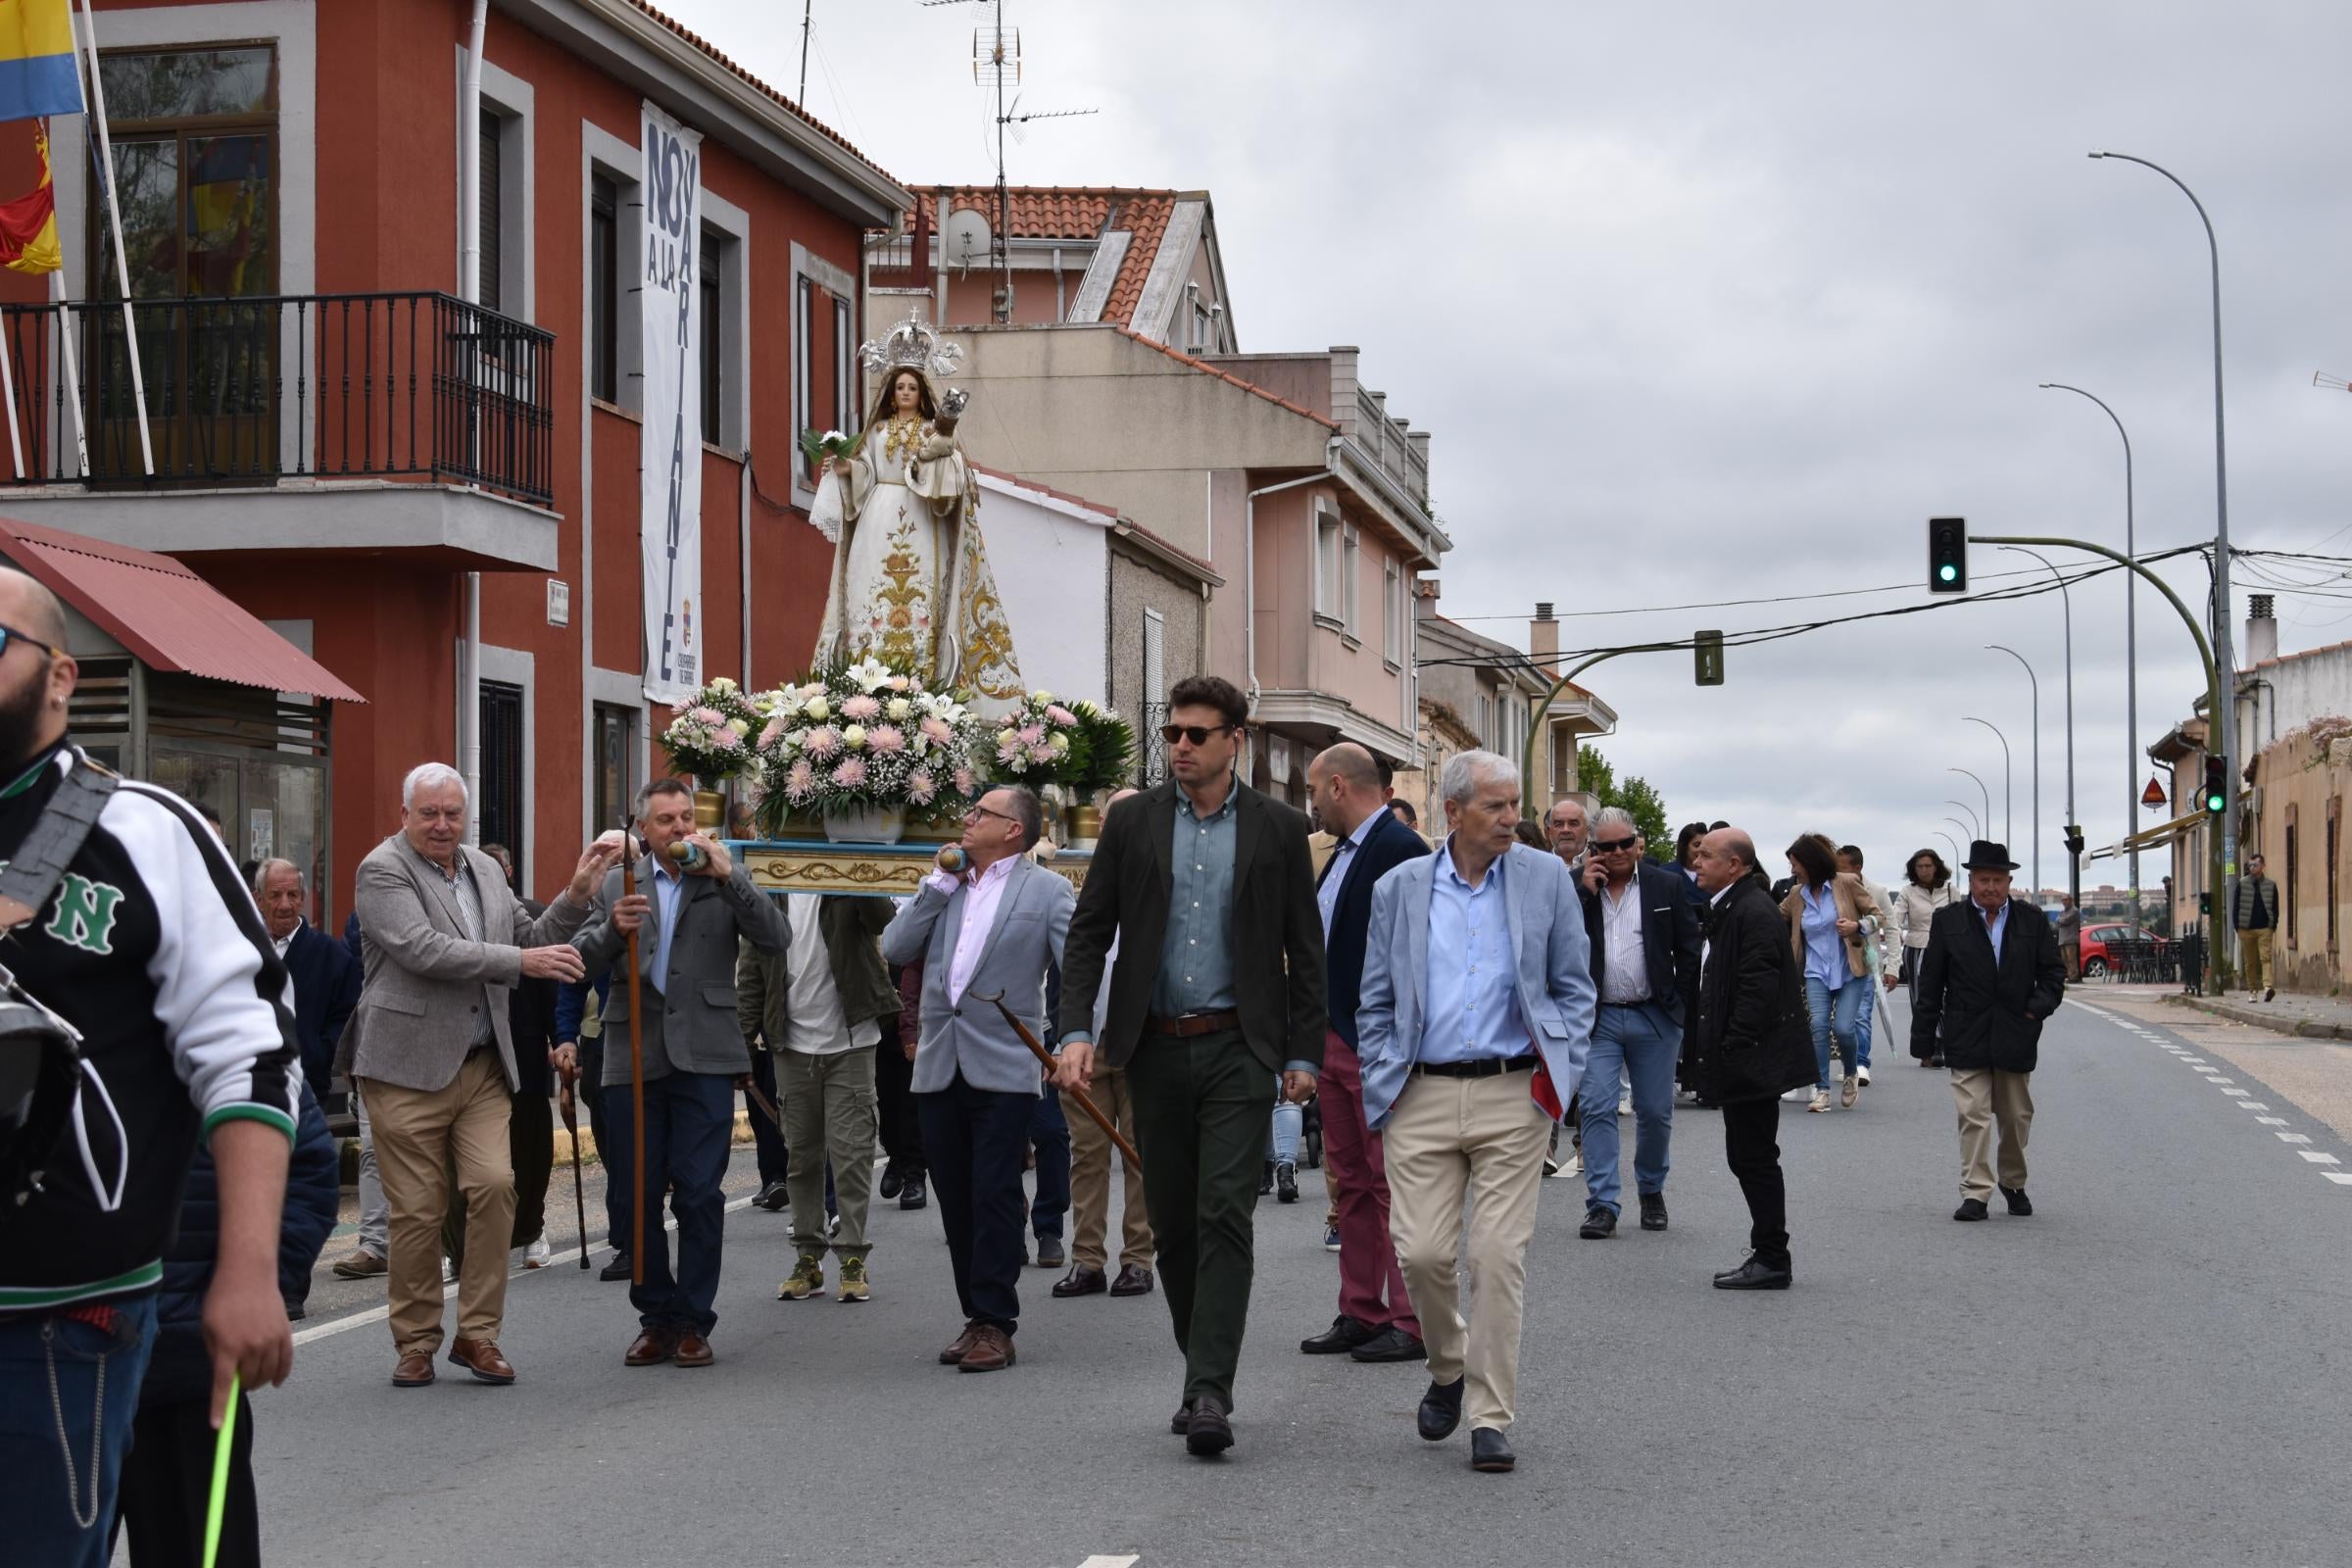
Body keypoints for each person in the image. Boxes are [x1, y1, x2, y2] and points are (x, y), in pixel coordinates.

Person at [0, 565, 299, 1564]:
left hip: (60, 1315)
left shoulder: (142, 830)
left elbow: (247, 1053)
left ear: (59, 677)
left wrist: (250, 1273)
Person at [1053, 674, 1325, 1457]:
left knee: (1222, 1215)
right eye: (1173, 733)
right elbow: (1088, 932)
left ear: (1235, 739)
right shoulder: (1133, 822)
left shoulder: (1279, 827)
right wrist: (1075, 1030)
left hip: (1241, 1047)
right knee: (1172, 1226)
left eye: (1197, 734)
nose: (1179, 746)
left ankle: (1209, 1388)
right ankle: (1201, 1361)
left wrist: (1302, 1051)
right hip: (1152, 1047)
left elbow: (1305, 951)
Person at [1356, 750, 1593, 1475]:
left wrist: (1561, 1071)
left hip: (1512, 1093)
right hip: (1419, 1092)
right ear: (1452, 812)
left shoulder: (1545, 877)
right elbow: (1375, 998)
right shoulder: (1399, 887)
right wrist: (1380, 1072)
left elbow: (1573, 985)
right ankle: (1448, 1367)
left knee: (1497, 1258)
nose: (1511, 818)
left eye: (1514, 803)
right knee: (1423, 1255)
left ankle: (1491, 1416)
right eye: (1495, 806)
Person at [349, 763, 613, 1388]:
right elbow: (423, 949)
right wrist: (522, 959)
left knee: (496, 1187)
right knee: (416, 1212)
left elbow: (537, 937)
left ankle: (478, 1335)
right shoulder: (381, 869)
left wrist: (576, 894)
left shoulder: (487, 870)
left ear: (467, 817)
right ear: (405, 814)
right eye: (429, 813)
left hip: (481, 1065)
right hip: (404, 1068)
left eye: (452, 814)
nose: (442, 825)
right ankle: (415, 1343)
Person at [573, 780, 789, 1367]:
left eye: (686, 817)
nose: (678, 828)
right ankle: (656, 1317)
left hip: (706, 1056)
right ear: (643, 830)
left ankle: (694, 1319)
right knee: (637, 1193)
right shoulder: (623, 883)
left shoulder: (718, 878)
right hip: (633, 1055)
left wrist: (730, 876)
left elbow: (776, 938)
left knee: (698, 1193)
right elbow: (577, 961)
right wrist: (610, 930)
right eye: (665, 819)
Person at [883, 785, 1074, 1374]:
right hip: (941, 1060)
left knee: (993, 1190)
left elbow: (1080, 972)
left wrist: (1071, 1042)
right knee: (957, 1195)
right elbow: (895, 946)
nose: (967, 821)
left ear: (1013, 829)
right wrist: (936, 888)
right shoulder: (943, 885)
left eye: (981, 814)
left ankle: (997, 1320)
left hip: (1007, 1061)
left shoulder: (1048, 891)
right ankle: (975, 1314)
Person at [116, 1080, 339, 1568]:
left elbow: (307, 1161)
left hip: (187, 1365)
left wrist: (256, 1283)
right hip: (38, 1374)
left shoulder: (228, 1015)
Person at [1297, 743, 1429, 1364]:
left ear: (1340, 786)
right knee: (1351, 1184)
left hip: (1375, 1042)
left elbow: (1413, 953)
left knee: (1390, 1183)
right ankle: (1361, 1310)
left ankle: (1409, 1318)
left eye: (1314, 789)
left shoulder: (1399, 849)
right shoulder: (1342, 853)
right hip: (1334, 1037)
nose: (1312, 802)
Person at [811, 318, 1022, 699]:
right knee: (870, 595)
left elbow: (952, 477)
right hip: (878, 519)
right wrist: (845, 468)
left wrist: (936, 453)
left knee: (924, 592)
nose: (906, 392)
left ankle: (926, 679)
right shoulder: (875, 433)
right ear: (891, 395)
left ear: (921, 393)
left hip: (922, 520)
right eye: (900, 387)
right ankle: (865, 677)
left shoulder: (933, 431)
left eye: (911, 387)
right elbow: (865, 473)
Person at [743, 892, 894, 1302]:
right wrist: (743, 1040)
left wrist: (856, 865)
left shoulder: (846, 878)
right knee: (801, 1156)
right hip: (791, 1043)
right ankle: (808, 1257)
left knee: (852, 1154)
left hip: (851, 1038)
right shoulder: (769, 888)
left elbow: (881, 918)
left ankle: (852, 1256)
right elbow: (753, 969)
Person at [1911, 841, 2066, 1222]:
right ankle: (1975, 1192)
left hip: (2016, 1031)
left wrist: (2035, 1010)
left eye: (1997, 880)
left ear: (2009, 881)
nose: (1990, 887)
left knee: (2015, 1117)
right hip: (1967, 1031)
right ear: (1971, 880)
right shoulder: (1949, 921)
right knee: (1973, 1114)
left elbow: (2053, 975)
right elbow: (1930, 984)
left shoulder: (2031, 921)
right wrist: (1925, 1041)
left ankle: (2013, 1182)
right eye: (1983, 880)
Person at [1689, 828, 1814, 1289]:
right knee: (1747, 1156)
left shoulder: (1751, 910)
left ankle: (1772, 1259)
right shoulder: (1733, 905)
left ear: (1735, 865)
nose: (1697, 862)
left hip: (1752, 1059)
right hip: (1744, 1057)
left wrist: (1732, 1046)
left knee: (1755, 1158)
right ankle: (1768, 1253)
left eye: (1706, 856)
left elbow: (1757, 989)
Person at [1574, 806, 1701, 1240]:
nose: (1618, 853)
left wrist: (1680, 1006)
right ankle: (1603, 1203)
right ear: (1594, 849)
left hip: (1654, 1014)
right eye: (1607, 847)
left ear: (1636, 841)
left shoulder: (1666, 885)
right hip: (1599, 1017)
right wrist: (1582, 895)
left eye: (1625, 843)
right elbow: (1553, 941)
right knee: (1595, 1105)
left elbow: (1689, 948)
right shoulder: (1578, 889)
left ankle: (1651, 1189)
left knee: (1653, 1111)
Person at [1053, 789, 1155, 1300]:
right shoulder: (1080, 886)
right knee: (1087, 1155)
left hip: (1143, 1043)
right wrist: (1064, 1039)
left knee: (1141, 1155)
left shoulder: (1161, 884)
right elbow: (1071, 964)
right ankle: (1087, 1259)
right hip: (1087, 1043)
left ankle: (1138, 1258)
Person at [449, 844, 559, 1273]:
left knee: (530, 1148)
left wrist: (562, 1039)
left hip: (526, 1049)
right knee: (464, 1160)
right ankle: (455, 1245)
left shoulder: (531, 915)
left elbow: (552, 981)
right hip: (471, 1051)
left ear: (507, 874)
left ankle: (532, 1229)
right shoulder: (458, 918)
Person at [1779, 834, 1882, 1113]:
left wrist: (1857, 926)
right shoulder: (1796, 895)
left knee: (1844, 1029)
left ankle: (1851, 1071)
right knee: (1819, 1027)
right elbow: (1776, 915)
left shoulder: (1846, 883)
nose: (1792, 871)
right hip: (1815, 972)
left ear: (1810, 862)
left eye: (1795, 864)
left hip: (1850, 969)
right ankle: (1822, 1090)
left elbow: (1878, 916)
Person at [253, 858, 359, 1122]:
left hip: (309, 1088)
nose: (285, 904)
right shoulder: (242, 950)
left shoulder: (332, 956)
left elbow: (346, 1017)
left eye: (293, 895)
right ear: (258, 899)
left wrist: (317, 1053)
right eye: (275, 895)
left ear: (303, 898)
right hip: (248, 1085)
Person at [1891, 848, 1963, 1069]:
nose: (1924, 870)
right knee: (1921, 999)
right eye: (1919, 866)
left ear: (1937, 867)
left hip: (1947, 949)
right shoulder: (1907, 892)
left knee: (1945, 997)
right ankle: (1926, 1048)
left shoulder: (1951, 891)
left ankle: (1943, 1043)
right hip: (1916, 947)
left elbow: (1962, 919)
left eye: (1928, 866)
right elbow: (1895, 917)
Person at [1835, 845, 1897, 1087]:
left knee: (1861, 1014)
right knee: (1840, 1018)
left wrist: (1893, 967)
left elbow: (1891, 928)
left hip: (1867, 963)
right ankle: (1849, 1061)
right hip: (1838, 962)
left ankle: (1861, 1064)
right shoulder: (1831, 889)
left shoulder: (1878, 891)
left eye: (1842, 869)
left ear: (1857, 868)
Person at [2231, 854, 2279, 1002]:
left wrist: (2273, 925)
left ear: (2262, 866)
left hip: (2265, 928)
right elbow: (2236, 906)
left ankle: (2267, 987)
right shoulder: (2242, 883)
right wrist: (2237, 927)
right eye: (2250, 865)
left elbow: (2275, 907)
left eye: (2255, 865)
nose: (2252, 868)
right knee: (2250, 962)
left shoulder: (2271, 885)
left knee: (2265, 958)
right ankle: (2252, 991)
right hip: (2245, 929)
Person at [1543, 798, 1590, 869]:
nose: (1565, 830)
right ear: (1550, 832)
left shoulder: (1603, 866)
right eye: (1559, 824)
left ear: (1587, 830)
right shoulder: (1536, 867)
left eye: (1573, 824)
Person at [2055, 893, 2082, 983]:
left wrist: (2059, 919)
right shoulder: (2063, 912)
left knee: (2071, 959)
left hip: (2070, 939)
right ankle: (2068, 975)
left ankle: (2073, 977)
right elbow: (2058, 921)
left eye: (2066, 900)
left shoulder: (2074, 911)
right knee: (2064, 960)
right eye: (2063, 900)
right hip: (2062, 939)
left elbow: (2064, 921)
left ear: (2071, 900)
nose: (2064, 902)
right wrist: (2060, 919)